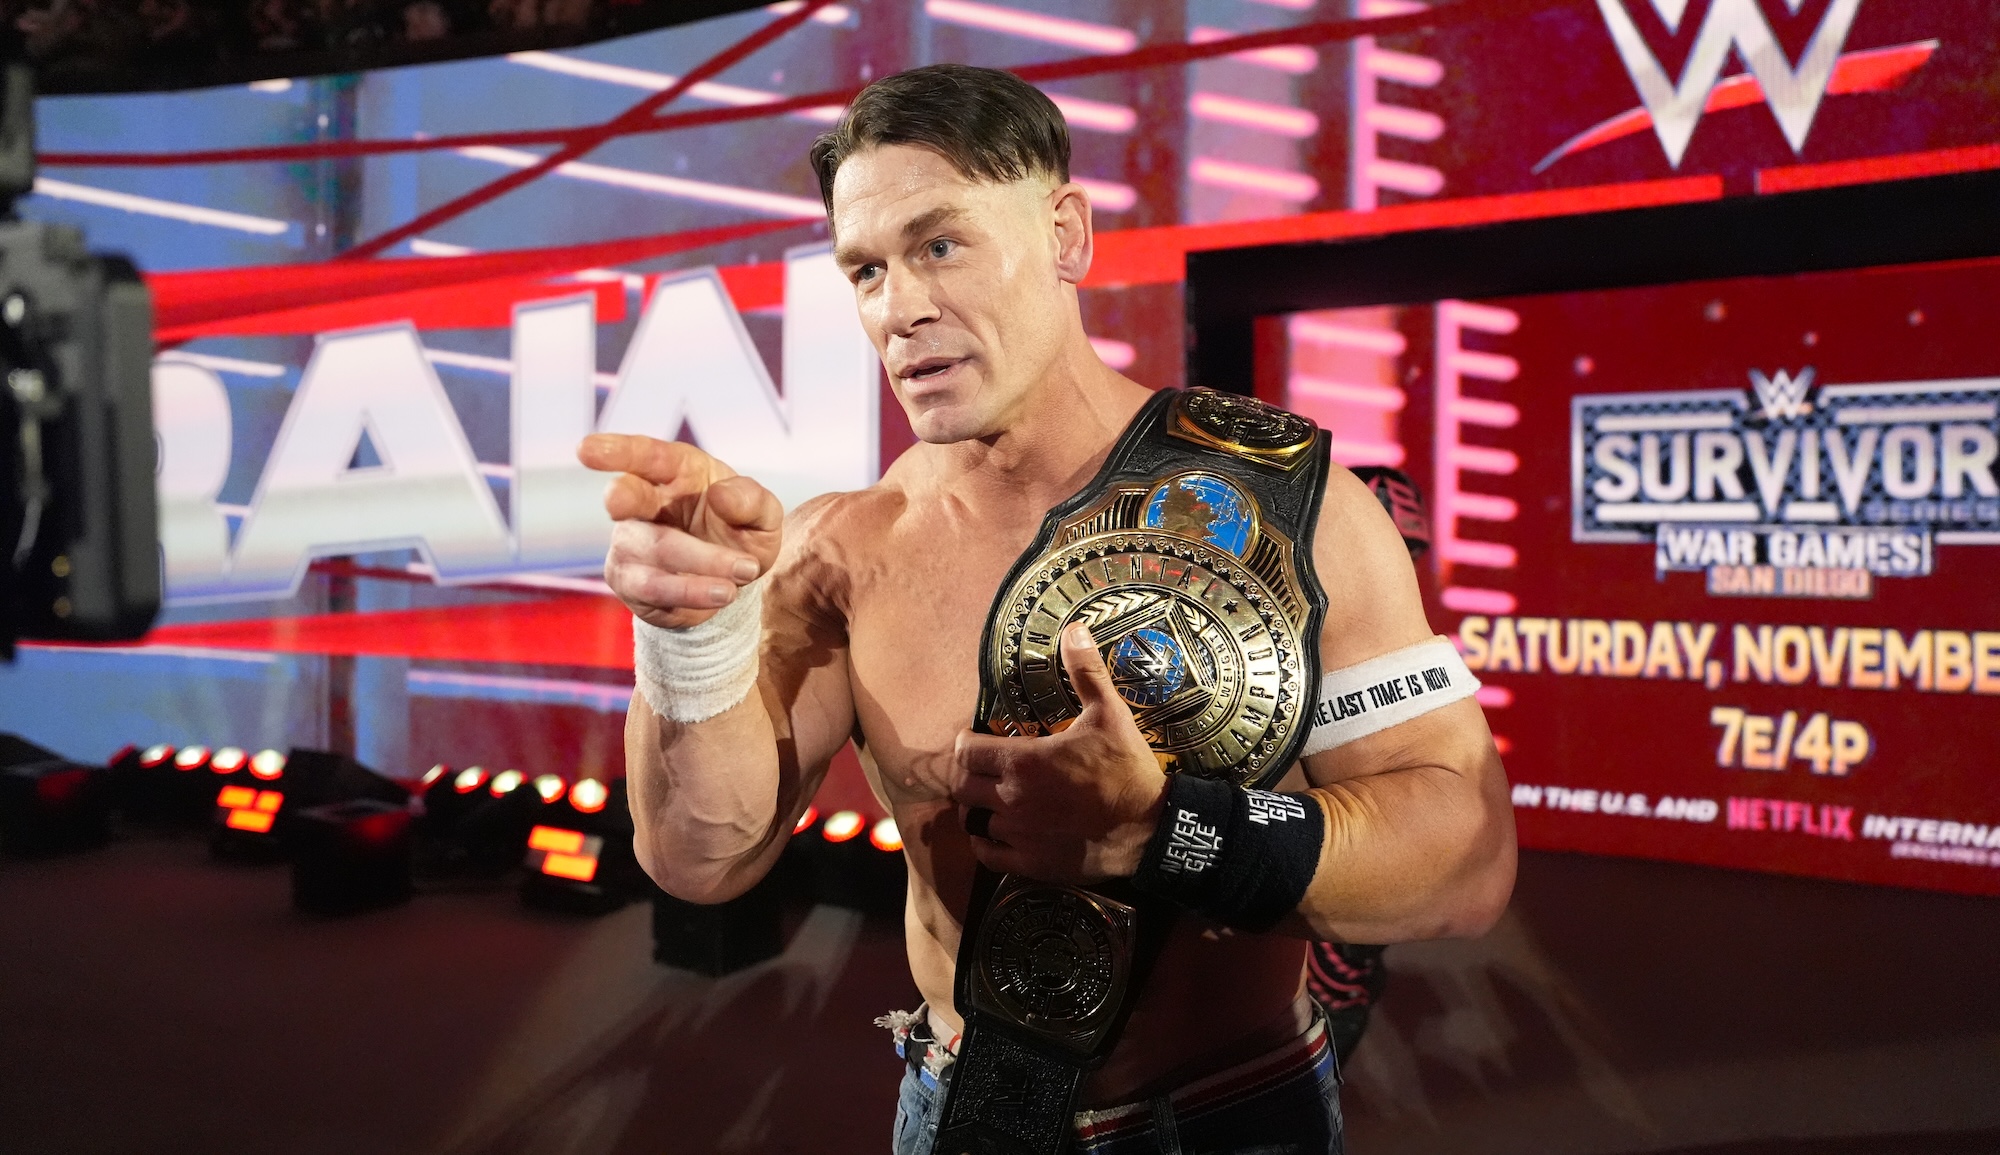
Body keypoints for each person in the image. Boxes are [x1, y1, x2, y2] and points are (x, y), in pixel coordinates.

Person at [579, 63, 1515, 1155]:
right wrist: (690, 636)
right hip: (964, 1115)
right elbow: (700, 859)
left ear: (1065, 234)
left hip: (1234, 1113)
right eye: (866, 270)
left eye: (940, 244)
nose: (899, 309)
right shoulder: (843, 550)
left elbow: (1466, 861)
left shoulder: (1289, 504)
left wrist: (1161, 830)